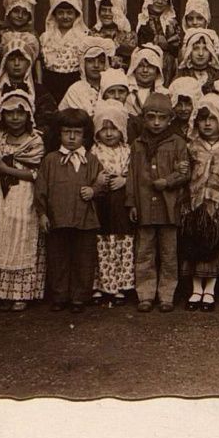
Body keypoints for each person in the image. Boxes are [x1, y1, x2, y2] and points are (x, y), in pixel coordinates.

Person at [127, 92, 190, 313]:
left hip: (169, 207)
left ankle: (166, 295)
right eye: (151, 117)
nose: (156, 122)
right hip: (145, 206)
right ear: (143, 118)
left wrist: (169, 181)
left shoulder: (178, 143)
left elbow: (185, 172)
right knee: (144, 251)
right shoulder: (137, 145)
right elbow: (132, 176)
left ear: (170, 119)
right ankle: (145, 294)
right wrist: (132, 203)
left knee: (168, 253)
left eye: (161, 118)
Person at [37, 108, 104, 313]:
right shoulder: (50, 160)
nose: (72, 137)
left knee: (83, 259)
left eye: (77, 132)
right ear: (59, 133)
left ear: (85, 135)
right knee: (58, 258)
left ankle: (78, 297)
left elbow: (102, 185)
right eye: (67, 132)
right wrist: (42, 214)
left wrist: (93, 190)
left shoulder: (91, 160)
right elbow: (41, 189)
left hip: (85, 219)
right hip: (58, 218)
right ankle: (59, 296)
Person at [0, 91, 45, 311]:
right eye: (10, 113)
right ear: (3, 115)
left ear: (28, 115)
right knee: (0, 236)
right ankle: (1, 293)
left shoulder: (34, 141)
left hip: (24, 194)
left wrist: (7, 169)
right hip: (1, 194)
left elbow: (36, 174)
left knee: (21, 236)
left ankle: (21, 293)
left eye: (20, 113)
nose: (15, 118)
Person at [182, 95, 219, 311]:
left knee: (215, 244)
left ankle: (210, 290)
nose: (207, 124)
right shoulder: (192, 146)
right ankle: (196, 289)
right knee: (195, 243)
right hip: (195, 202)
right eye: (202, 119)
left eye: (212, 119)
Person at [90, 102, 136, 306]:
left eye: (113, 129)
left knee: (120, 242)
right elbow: (88, 175)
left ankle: (120, 285)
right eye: (104, 129)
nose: (109, 134)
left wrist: (124, 180)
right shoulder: (93, 152)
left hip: (120, 202)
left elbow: (135, 174)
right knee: (101, 243)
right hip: (101, 202)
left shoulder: (127, 151)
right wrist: (97, 180)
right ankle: (100, 285)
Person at [37, 0, 91, 111]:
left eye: (69, 13)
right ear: (54, 14)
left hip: (73, 81)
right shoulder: (45, 37)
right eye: (60, 12)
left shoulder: (84, 36)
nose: (65, 16)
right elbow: (39, 63)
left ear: (76, 14)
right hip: (49, 83)